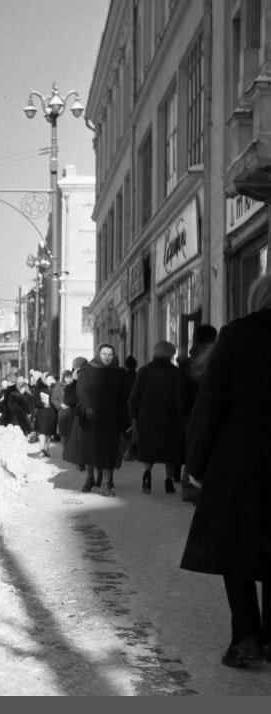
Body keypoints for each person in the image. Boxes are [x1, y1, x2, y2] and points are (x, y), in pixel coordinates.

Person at [180, 274, 271, 668]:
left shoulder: (237, 336)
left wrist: (195, 464)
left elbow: (210, 404)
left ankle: (247, 639)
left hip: (242, 462)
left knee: (236, 550)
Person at [128, 341, 184, 495]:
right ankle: (168, 480)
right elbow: (180, 397)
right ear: (170, 356)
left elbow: (135, 395)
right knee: (170, 452)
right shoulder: (175, 373)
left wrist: (134, 413)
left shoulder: (144, 371)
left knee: (149, 450)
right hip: (170, 419)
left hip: (147, 418)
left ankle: (147, 475)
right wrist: (181, 414)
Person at [77, 343, 128, 496]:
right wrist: (86, 407)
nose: (107, 357)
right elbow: (81, 390)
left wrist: (124, 415)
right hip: (92, 416)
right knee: (91, 449)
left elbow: (124, 395)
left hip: (111, 417)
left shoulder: (118, 372)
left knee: (109, 451)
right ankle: (90, 477)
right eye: (104, 354)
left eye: (110, 354)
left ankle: (105, 483)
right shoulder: (87, 370)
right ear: (99, 354)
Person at [176, 324, 218, 503]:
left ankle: (192, 484)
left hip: (192, 413)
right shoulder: (216, 359)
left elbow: (180, 392)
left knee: (195, 448)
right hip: (204, 411)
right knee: (205, 447)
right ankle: (195, 486)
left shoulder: (187, 364)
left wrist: (182, 412)